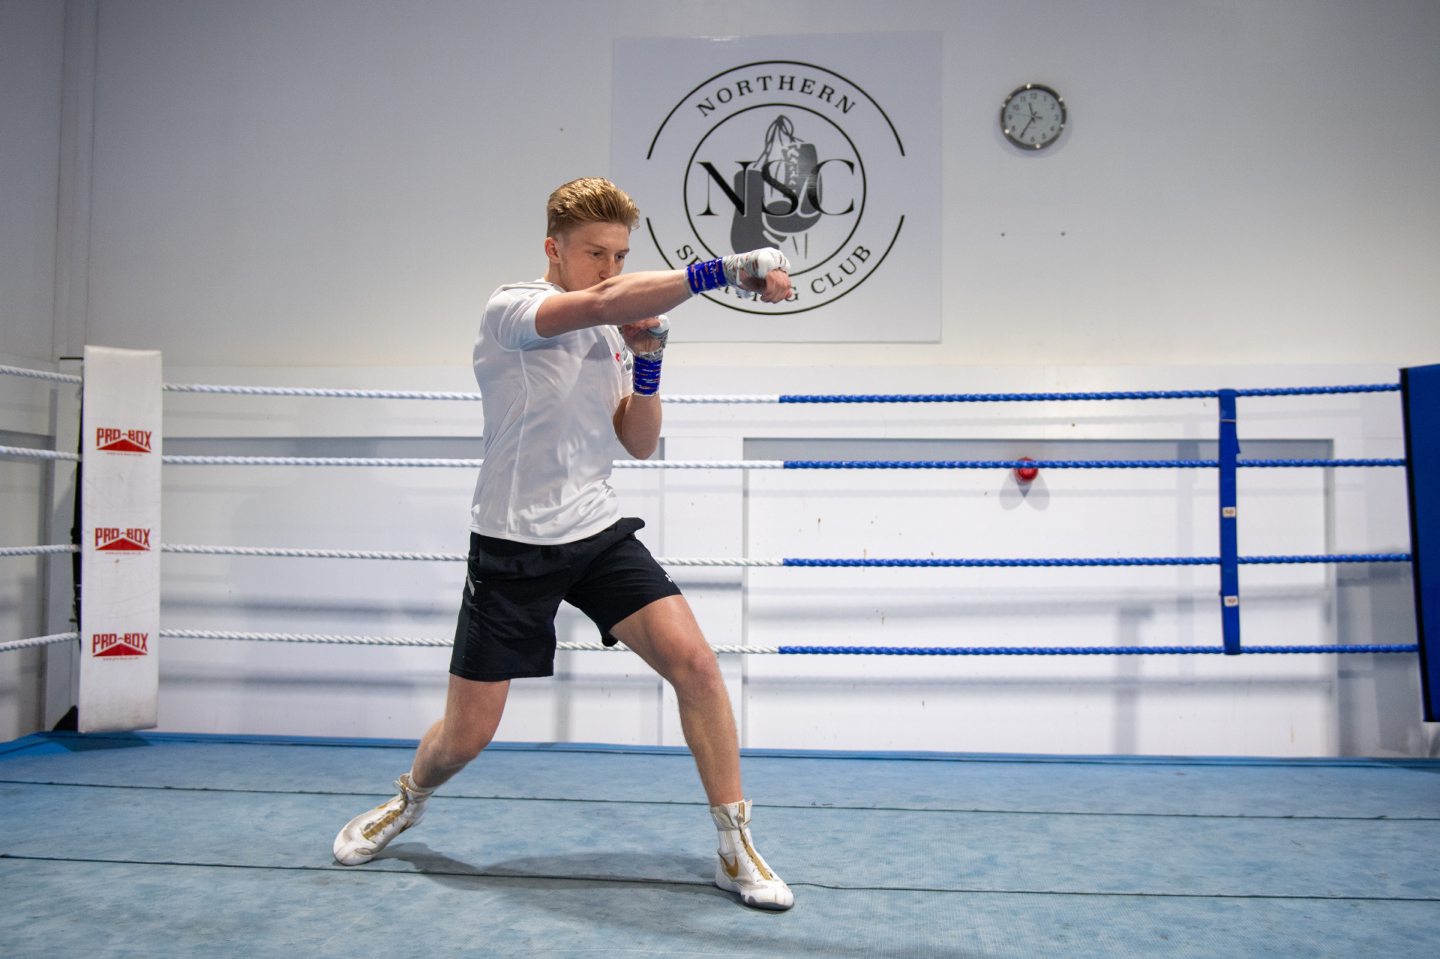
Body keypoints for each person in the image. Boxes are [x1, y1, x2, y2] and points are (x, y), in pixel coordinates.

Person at [332, 177, 796, 910]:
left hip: (596, 533)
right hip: (511, 545)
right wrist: (728, 269)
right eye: (593, 253)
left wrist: (649, 361)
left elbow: (638, 443)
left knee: (698, 666)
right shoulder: (513, 310)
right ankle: (408, 798)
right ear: (553, 249)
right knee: (466, 735)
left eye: (619, 254)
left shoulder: (616, 327)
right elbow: (609, 302)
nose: (609, 269)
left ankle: (734, 847)